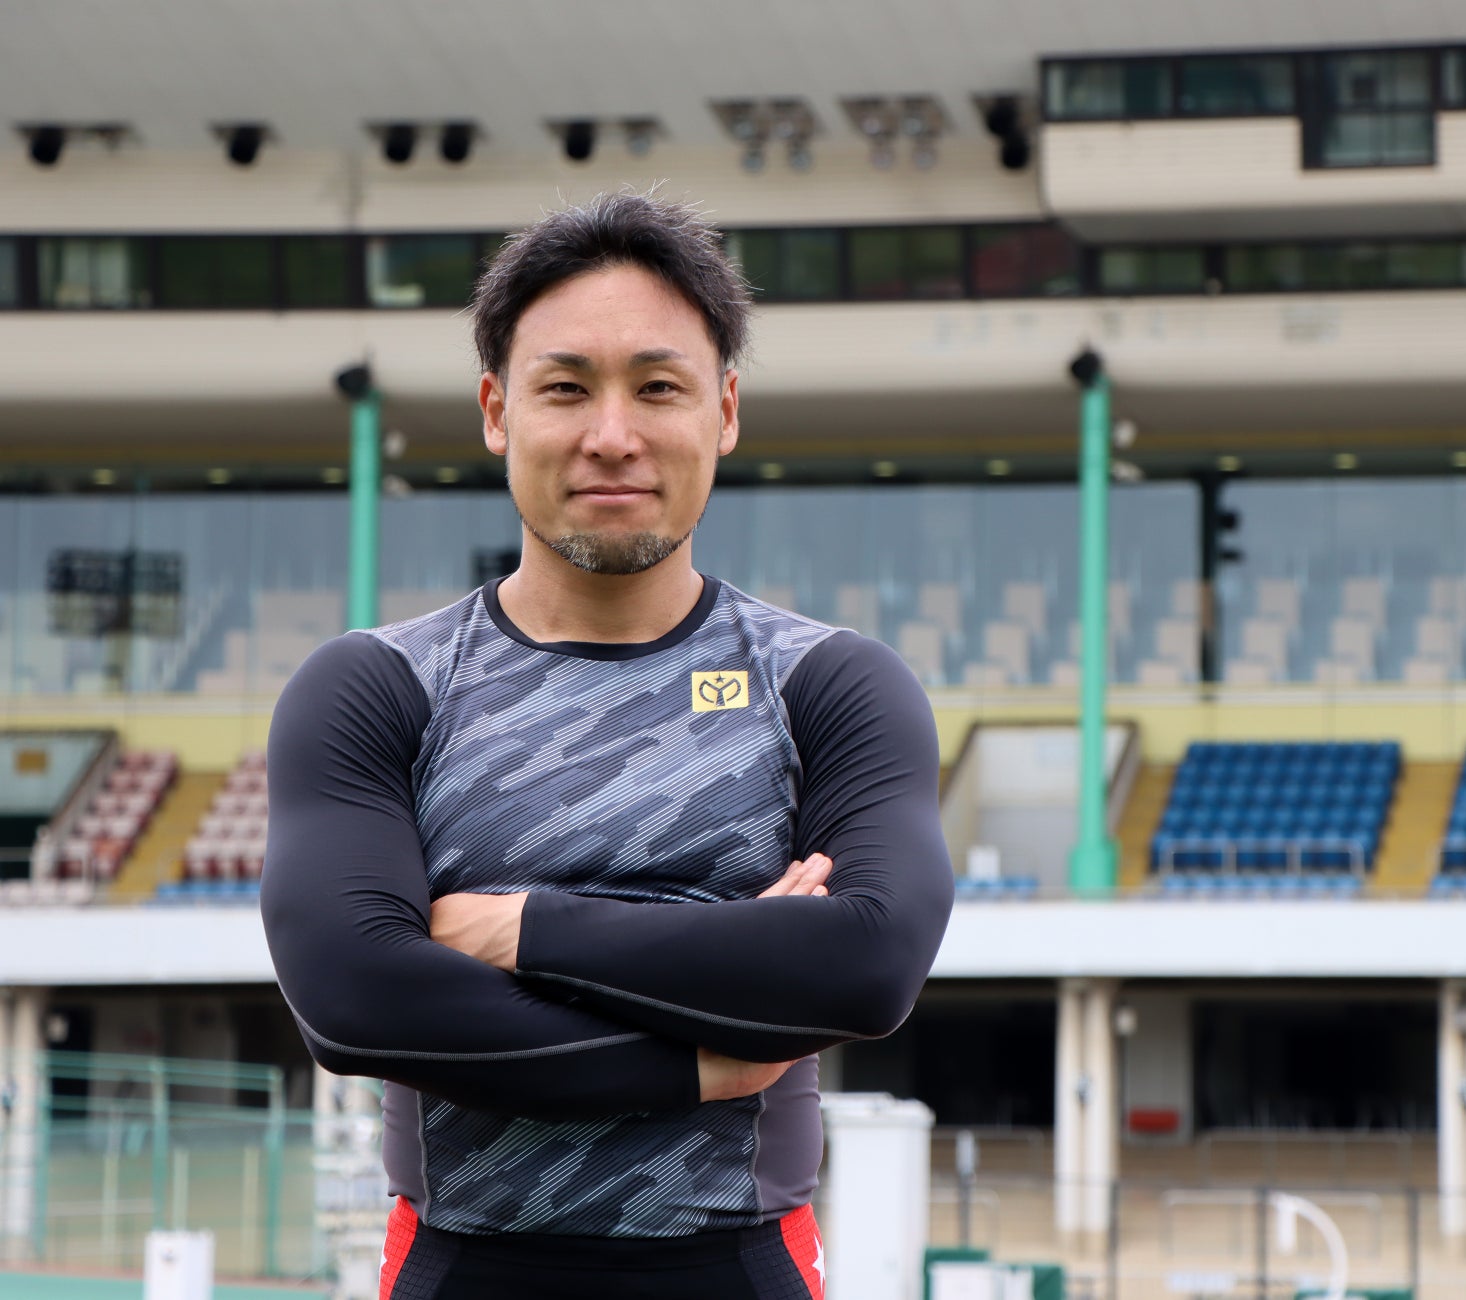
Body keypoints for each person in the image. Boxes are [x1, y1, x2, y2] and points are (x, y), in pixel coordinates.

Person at [260, 190, 954, 1299]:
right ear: (498, 411)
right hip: (462, 1267)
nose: (613, 435)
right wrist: (712, 1047)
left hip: (737, 1266)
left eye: (659, 387)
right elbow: (356, 998)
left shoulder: (827, 685)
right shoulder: (376, 688)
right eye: (567, 387)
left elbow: (865, 966)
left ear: (725, 410)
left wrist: (520, 928)